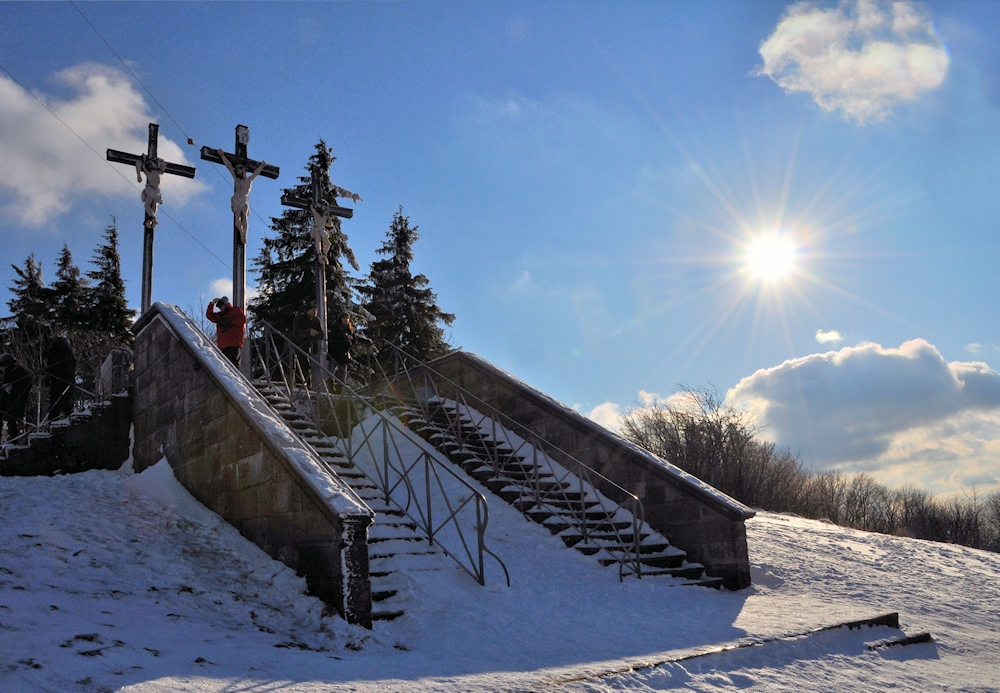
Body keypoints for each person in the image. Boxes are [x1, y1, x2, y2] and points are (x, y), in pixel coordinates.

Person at [217, 149, 267, 245]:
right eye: (237, 172)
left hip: (244, 199)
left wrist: (262, 165)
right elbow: (229, 167)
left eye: (239, 171)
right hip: (237, 198)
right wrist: (222, 155)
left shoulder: (249, 180)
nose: (238, 173)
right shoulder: (236, 179)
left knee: (244, 216)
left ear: (243, 171)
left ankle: (244, 234)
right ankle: (241, 232)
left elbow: (256, 173)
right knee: (237, 215)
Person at [206, 296, 247, 368]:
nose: (220, 308)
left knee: (234, 364)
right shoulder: (220, 315)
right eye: (219, 307)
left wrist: (230, 321)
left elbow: (242, 320)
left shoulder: (235, 310)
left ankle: (235, 379)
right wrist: (212, 304)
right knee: (226, 366)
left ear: (225, 304)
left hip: (234, 342)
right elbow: (209, 315)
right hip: (224, 345)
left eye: (221, 306)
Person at [0, 354, 32, 443]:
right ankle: (11, 439)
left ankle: (13, 439)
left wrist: (14, 387)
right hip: (6, 400)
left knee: (12, 419)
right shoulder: (9, 372)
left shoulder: (18, 371)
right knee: (9, 419)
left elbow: (26, 383)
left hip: (14, 400)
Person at [290, 303, 323, 386]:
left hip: (306, 346)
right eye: (313, 310)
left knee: (305, 364)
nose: (315, 312)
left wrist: (315, 334)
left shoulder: (316, 320)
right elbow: (296, 331)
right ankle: (291, 383)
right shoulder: (299, 318)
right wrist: (309, 332)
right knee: (291, 363)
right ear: (308, 311)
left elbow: (321, 334)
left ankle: (306, 385)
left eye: (316, 310)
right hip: (294, 343)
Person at [45, 336, 76, 420]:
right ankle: (72, 417)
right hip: (67, 381)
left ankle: (53, 423)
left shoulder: (54, 352)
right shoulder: (69, 353)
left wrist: (47, 378)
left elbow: (51, 367)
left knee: (55, 404)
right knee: (63, 402)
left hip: (57, 381)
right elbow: (71, 367)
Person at [135, 154, 168, 229]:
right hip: (150, 189)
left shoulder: (158, 171)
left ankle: (152, 219)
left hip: (157, 190)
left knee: (155, 204)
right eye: (150, 164)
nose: (151, 165)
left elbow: (164, 164)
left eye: (153, 163)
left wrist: (157, 160)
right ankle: (152, 217)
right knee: (147, 205)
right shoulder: (148, 172)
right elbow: (137, 163)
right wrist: (138, 175)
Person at [328, 312, 355, 387]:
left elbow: (354, 339)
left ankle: (341, 388)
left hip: (344, 353)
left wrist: (350, 340)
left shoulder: (350, 329)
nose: (345, 320)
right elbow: (334, 337)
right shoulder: (336, 327)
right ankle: (331, 387)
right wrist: (345, 337)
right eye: (344, 318)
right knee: (331, 371)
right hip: (334, 352)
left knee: (343, 372)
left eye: (347, 318)